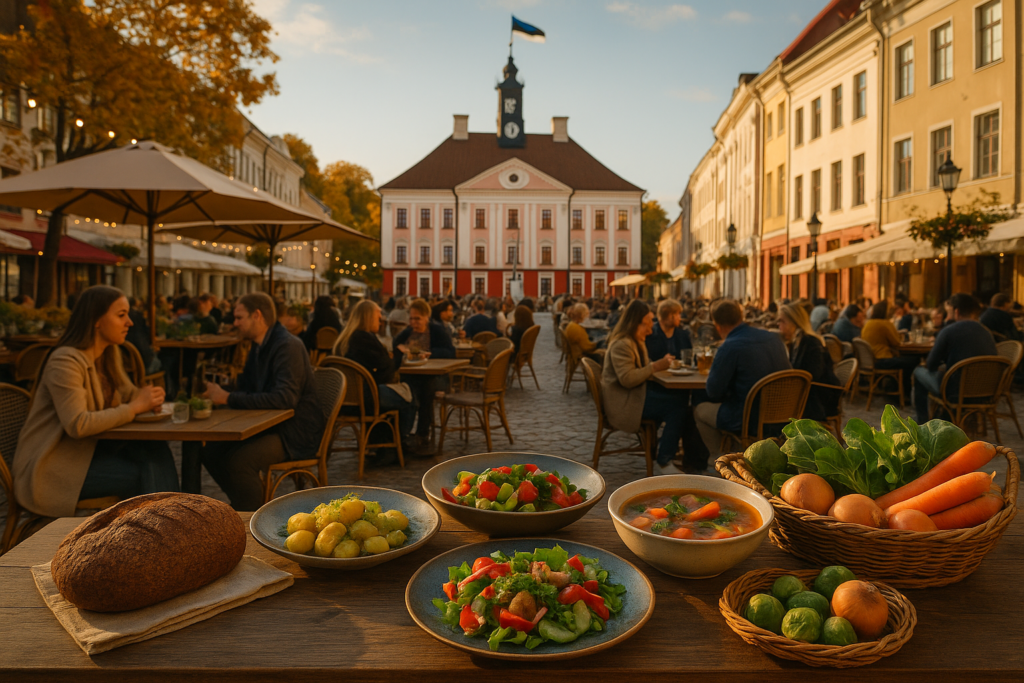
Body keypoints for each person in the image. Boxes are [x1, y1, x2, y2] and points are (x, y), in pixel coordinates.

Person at [12, 286, 177, 518]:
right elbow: (78, 424)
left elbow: (130, 394)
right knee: (145, 471)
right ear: (96, 320)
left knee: (155, 451)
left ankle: (166, 529)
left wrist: (149, 397)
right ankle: (165, 530)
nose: (129, 322)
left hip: (89, 456)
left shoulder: (108, 355)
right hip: (53, 468)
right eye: (121, 315)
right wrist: (135, 407)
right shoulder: (65, 361)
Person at [200, 292, 324, 510]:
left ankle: (254, 516)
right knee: (209, 451)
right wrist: (216, 392)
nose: (235, 323)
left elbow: (284, 398)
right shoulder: (259, 345)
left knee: (240, 461)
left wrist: (227, 397)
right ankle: (243, 504)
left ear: (257, 315)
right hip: (272, 424)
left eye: (239, 318)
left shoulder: (287, 346)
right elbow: (247, 386)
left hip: (295, 431)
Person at [693, 299, 791, 459]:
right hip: (784, 415)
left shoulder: (730, 346)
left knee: (700, 410)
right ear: (741, 317)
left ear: (716, 324)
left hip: (748, 418)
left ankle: (721, 459)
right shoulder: (774, 339)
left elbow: (713, 391)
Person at [601, 300, 685, 476]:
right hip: (625, 404)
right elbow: (627, 379)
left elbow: (640, 370)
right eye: (647, 324)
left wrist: (657, 366)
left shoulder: (635, 341)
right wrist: (655, 367)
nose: (650, 330)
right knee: (678, 406)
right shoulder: (622, 344)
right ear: (635, 323)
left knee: (680, 398)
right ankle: (664, 460)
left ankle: (680, 453)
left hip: (634, 396)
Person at [333, 300, 417, 463]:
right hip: (366, 397)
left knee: (398, 393)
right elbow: (386, 370)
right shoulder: (364, 339)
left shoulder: (345, 339)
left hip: (343, 399)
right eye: (378, 318)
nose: (381, 322)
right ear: (368, 318)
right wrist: (398, 354)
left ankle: (380, 443)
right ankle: (395, 445)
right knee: (409, 396)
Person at [913, 293, 998, 423]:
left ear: (956, 312)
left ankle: (922, 424)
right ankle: (943, 417)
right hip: (987, 393)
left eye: (948, 313)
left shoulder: (949, 331)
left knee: (918, 372)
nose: (947, 317)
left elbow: (931, 364)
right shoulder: (987, 332)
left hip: (954, 392)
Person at [393, 298, 455, 453]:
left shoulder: (437, 331)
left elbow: (450, 352)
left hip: (436, 376)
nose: (414, 322)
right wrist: (399, 349)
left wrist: (431, 354)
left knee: (426, 389)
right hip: (411, 374)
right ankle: (404, 433)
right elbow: (395, 346)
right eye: (412, 318)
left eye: (417, 319)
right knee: (409, 388)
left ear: (427, 317)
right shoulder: (407, 333)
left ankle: (422, 433)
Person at [777, 303, 841, 421]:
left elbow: (814, 374)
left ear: (794, 322)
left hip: (820, 398)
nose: (778, 325)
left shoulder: (811, 343)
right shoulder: (796, 342)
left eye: (782, 321)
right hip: (806, 393)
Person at [861, 301, 918, 398]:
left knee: (904, 360)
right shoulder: (885, 323)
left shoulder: (868, 323)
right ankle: (903, 394)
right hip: (882, 360)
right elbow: (896, 343)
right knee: (913, 360)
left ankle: (895, 388)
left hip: (870, 361)